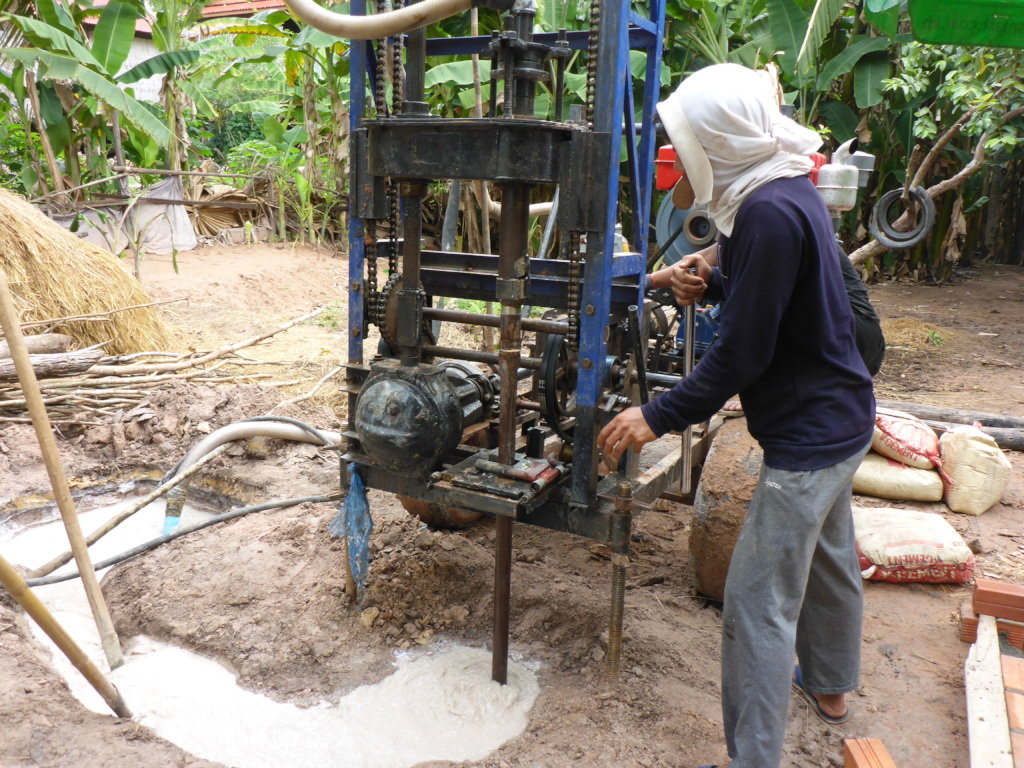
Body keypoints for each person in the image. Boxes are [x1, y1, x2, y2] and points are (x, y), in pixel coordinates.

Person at [596, 63, 876, 768]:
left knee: (757, 602)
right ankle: (833, 686)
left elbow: (742, 356)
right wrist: (716, 282)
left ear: (718, 140)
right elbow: (779, 301)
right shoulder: (782, 190)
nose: (682, 152)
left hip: (809, 435)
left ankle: (754, 758)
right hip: (842, 416)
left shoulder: (768, 212)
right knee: (833, 555)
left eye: (687, 139)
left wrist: (654, 415)